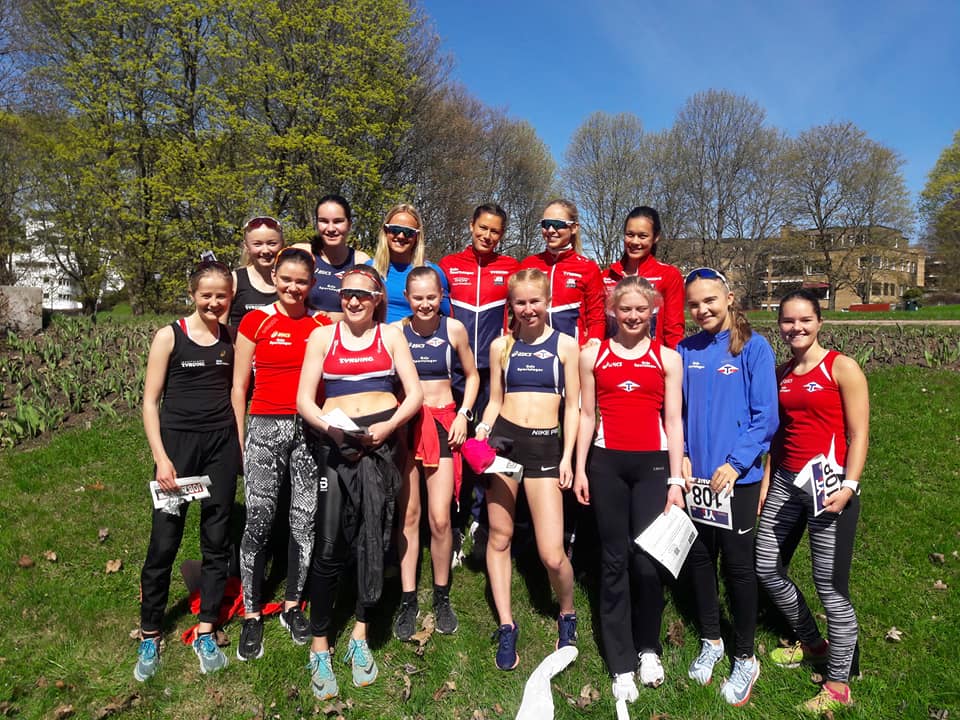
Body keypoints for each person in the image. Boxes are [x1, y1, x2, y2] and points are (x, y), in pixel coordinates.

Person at [296, 265, 423, 698]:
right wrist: (329, 430)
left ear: (377, 300)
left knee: (374, 536)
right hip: (338, 444)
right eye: (347, 293)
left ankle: (360, 634)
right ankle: (319, 644)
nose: (353, 301)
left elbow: (414, 394)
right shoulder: (322, 337)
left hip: (381, 444)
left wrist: (389, 427)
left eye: (363, 295)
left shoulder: (390, 336)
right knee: (330, 543)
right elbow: (304, 399)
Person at [755, 288, 869, 714]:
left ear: (820, 321)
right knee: (766, 566)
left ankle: (839, 684)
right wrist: (767, 481)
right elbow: (778, 434)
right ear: (779, 325)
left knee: (830, 587)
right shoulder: (782, 372)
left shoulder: (842, 367)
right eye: (788, 320)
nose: (796, 327)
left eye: (805, 319)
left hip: (829, 487)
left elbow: (859, 433)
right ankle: (812, 641)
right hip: (786, 482)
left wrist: (849, 485)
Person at [573, 275, 685, 703]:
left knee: (647, 562)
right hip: (607, 465)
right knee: (614, 561)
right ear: (612, 312)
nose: (634, 316)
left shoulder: (666, 358)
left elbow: (673, 421)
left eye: (641, 309)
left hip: (653, 466)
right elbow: (587, 415)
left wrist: (675, 480)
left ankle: (648, 648)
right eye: (626, 309)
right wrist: (581, 468)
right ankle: (621, 663)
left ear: (653, 310)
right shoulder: (593, 354)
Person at [678, 267, 778, 705]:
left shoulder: (754, 348)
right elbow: (676, 412)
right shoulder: (685, 349)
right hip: (697, 479)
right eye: (694, 304)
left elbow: (765, 417)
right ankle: (712, 640)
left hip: (736, 480)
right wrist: (682, 454)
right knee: (700, 560)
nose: (702, 310)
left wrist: (736, 464)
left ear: (729, 298)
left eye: (710, 301)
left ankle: (745, 656)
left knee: (737, 568)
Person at [135, 261, 239, 680]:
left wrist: (238, 446)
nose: (214, 302)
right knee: (165, 540)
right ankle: (150, 631)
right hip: (178, 450)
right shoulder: (170, 336)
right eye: (206, 295)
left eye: (221, 295)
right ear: (193, 294)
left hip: (221, 447)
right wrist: (162, 458)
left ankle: (207, 628)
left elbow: (237, 392)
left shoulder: (231, 338)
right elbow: (149, 402)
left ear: (231, 296)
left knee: (217, 539)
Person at [475, 268, 581, 671]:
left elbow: (573, 408)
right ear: (511, 305)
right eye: (520, 302)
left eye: (535, 300)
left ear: (548, 301)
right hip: (504, 444)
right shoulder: (501, 346)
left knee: (552, 554)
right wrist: (483, 430)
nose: (528, 308)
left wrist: (567, 456)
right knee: (499, 537)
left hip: (544, 449)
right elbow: (494, 400)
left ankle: (567, 612)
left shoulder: (565, 346)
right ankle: (506, 624)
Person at [232, 247, 331, 661]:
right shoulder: (256, 321)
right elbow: (239, 386)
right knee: (259, 519)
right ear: (274, 278)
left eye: (301, 281)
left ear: (312, 285)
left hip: (308, 431)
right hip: (264, 426)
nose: (293, 287)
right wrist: (241, 440)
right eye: (286, 279)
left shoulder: (322, 325)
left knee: (303, 521)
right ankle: (252, 613)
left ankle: (292, 605)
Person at [393, 267, 480, 639]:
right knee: (409, 515)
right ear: (407, 299)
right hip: (407, 425)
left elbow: (472, 375)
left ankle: (442, 596)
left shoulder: (454, 329)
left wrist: (464, 414)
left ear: (441, 296)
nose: (425, 304)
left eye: (432, 297)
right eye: (418, 298)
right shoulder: (396, 332)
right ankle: (408, 598)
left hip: (444, 422)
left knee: (441, 519)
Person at [438, 203, 520, 551]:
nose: (487, 235)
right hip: (455, 369)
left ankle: (481, 517)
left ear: (502, 234)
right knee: (453, 444)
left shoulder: (511, 267)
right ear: (471, 225)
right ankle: (453, 517)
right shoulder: (448, 265)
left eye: (495, 231)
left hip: (491, 371)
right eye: (482, 228)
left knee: (485, 443)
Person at [520, 199, 605, 347]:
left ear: (574, 228)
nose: (550, 230)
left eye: (558, 224)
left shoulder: (588, 268)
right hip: (532, 349)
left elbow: (596, 316)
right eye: (546, 224)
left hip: (572, 352)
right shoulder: (528, 264)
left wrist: (594, 342)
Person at [602, 206, 684, 348]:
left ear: (656, 237)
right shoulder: (605, 276)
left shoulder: (669, 275)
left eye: (642, 236)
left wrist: (675, 358)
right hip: (612, 356)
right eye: (630, 234)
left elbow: (674, 328)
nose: (635, 242)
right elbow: (597, 322)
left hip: (653, 357)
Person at [369, 203, 450, 323]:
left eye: (408, 232)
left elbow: (446, 317)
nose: (401, 236)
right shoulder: (369, 269)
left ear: (417, 236)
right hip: (378, 334)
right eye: (395, 230)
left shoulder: (433, 273)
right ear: (385, 231)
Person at [306, 194, 371, 321]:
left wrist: (333, 319)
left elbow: (370, 309)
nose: (331, 228)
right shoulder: (304, 254)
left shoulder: (361, 261)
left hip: (346, 332)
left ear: (349, 224)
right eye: (324, 221)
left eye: (338, 221)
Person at [227, 216, 283, 328]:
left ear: (282, 244)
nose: (265, 250)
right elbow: (219, 327)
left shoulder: (291, 281)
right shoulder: (235, 280)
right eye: (257, 244)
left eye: (272, 243)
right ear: (246, 246)